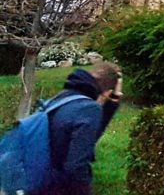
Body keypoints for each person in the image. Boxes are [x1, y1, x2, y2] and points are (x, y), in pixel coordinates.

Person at [42, 62, 122, 195]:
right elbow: (76, 166)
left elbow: (91, 137)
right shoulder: (89, 109)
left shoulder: (65, 97)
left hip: (39, 176)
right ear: (106, 93)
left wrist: (114, 98)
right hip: (54, 186)